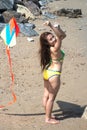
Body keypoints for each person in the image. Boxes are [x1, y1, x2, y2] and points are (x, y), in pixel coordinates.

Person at [39, 21, 66, 124]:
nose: (54, 39)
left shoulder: (48, 48)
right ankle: (48, 118)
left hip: (47, 72)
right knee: (51, 98)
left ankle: (48, 113)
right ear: (48, 43)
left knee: (46, 95)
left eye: (53, 37)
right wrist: (51, 26)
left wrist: (58, 27)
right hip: (54, 75)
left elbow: (62, 35)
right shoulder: (55, 48)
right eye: (51, 39)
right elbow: (60, 36)